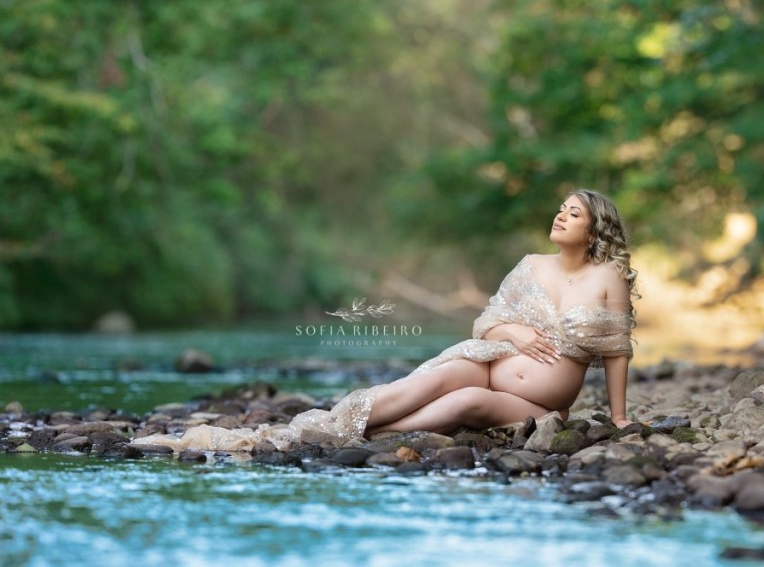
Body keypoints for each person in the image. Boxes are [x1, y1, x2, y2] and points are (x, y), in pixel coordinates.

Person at [131, 188, 639, 453]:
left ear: (595, 228)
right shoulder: (530, 265)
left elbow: (617, 352)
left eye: (572, 214)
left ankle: (369, 437)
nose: (559, 216)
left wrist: (617, 419)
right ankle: (332, 426)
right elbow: (487, 322)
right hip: (490, 359)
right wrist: (517, 333)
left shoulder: (607, 278)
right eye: (559, 209)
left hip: (537, 400)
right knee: (428, 380)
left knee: (464, 402)